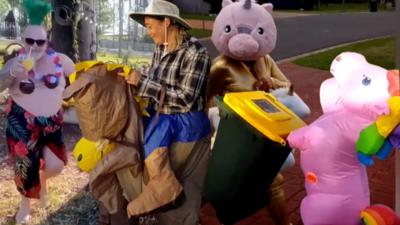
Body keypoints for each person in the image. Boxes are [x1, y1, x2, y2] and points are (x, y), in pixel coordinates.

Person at [126, 0, 211, 223]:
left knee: (155, 131)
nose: (148, 31)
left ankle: (164, 187)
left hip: (186, 121)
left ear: (167, 22)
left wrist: (144, 84)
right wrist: (135, 80)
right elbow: (156, 83)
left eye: (150, 25)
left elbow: (186, 98)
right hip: (163, 116)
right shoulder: (160, 48)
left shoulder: (196, 53)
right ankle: (154, 191)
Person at [0, 0, 75, 223]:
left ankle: (43, 180)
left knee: (57, 165)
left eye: (40, 41)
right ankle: (24, 208)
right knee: (26, 168)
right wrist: (12, 72)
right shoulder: (16, 62)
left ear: (47, 40)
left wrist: (70, 97)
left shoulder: (61, 61)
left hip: (52, 121)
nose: (35, 45)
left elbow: (78, 81)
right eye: (30, 40)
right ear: (23, 40)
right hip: (23, 122)